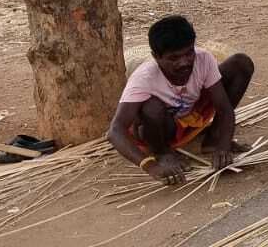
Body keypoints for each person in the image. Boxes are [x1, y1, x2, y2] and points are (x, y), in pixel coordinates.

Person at [107, 16, 254, 184]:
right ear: (156, 56)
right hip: (160, 129)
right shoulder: (144, 78)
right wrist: (151, 166)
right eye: (173, 58)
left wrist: (224, 144)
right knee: (151, 107)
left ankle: (212, 140)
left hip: (192, 116)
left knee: (241, 63)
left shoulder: (203, 59)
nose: (184, 63)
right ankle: (162, 152)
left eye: (189, 53)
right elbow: (115, 131)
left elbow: (224, 108)